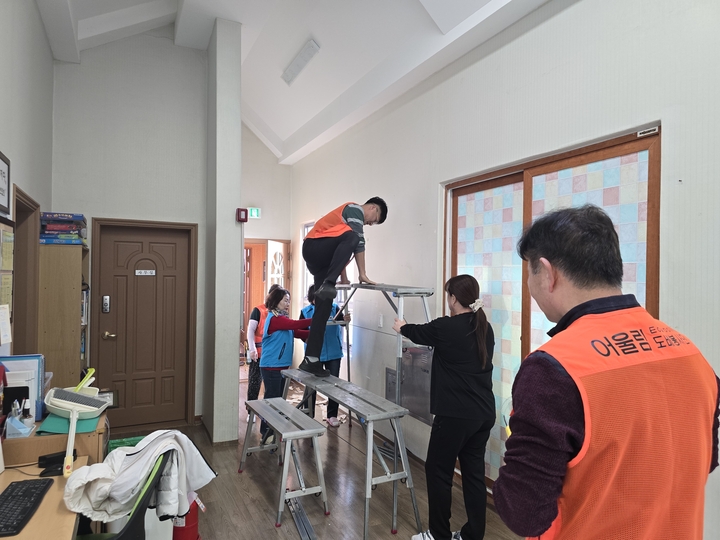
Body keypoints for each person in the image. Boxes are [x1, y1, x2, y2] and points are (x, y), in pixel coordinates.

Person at [493, 204, 720, 539]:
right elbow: (704, 458)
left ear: (547, 273)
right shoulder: (690, 352)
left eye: (529, 272)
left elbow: (523, 512)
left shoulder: (553, 368)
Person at [393, 274, 495, 540]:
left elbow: (418, 332)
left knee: (438, 471)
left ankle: (439, 535)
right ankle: (473, 535)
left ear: (453, 298)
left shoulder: (447, 327)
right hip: (483, 414)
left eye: (448, 294)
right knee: (474, 475)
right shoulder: (484, 327)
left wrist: (401, 326)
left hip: (455, 416)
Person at [299, 197, 388, 377]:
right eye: (374, 220)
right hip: (314, 247)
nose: (371, 223)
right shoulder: (354, 209)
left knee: (323, 309)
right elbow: (358, 241)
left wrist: (344, 278)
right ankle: (329, 283)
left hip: (321, 260)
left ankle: (311, 359)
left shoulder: (345, 227)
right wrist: (362, 274)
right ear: (373, 207)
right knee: (354, 237)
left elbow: (340, 251)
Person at [259, 287, 312, 441]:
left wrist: (315, 333)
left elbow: (296, 332)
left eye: (289, 301)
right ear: (276, 301)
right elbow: (294, 325)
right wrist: (317, 320)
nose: (288, 303)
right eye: (285, 300)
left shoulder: (282, 318)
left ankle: (274, 431)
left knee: (279, 401)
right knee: (272, 401)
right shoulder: (276, 318)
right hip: (271, 366)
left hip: (280, 366)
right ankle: (266, 433)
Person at [299, 284, 351, 427]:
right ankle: (308, 413)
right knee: (311, 385)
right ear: (312, 298)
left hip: (333, 352)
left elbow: (343, 323)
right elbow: (300, 331)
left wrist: (346, 319)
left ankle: (332, 415)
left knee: (333, 385)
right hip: (314, 355)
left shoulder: (334, 308)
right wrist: (308, 340)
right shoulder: (306, 312)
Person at [245, 283, 282, 422]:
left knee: (271, 385)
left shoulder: (281, 312)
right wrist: (252, 349)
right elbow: (250, 330)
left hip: (274, 355)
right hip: (259, 354)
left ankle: (271, 411)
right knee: (254, 382)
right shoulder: (258, 310)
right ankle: (251, 412)